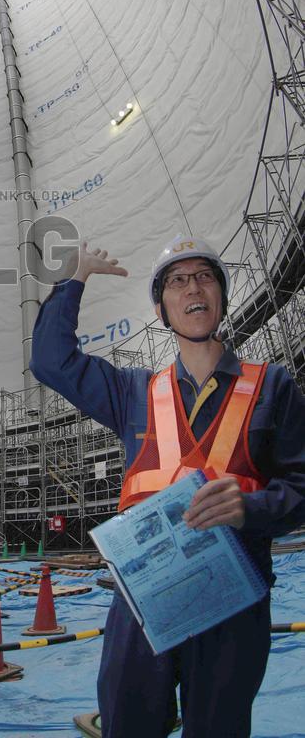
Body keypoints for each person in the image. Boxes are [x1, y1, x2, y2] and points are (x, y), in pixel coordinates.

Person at [30, 236, 305, 738]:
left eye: (204, 276)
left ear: (219, 295)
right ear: (162, 308)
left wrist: (251, 507)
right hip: (143, 599)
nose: (192, 287)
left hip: (234, 602)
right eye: (177, 281)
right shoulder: (132, 392)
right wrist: (74, 279)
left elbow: (301, 486)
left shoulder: (272, 386)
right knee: (129, 725)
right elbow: (51, 362)